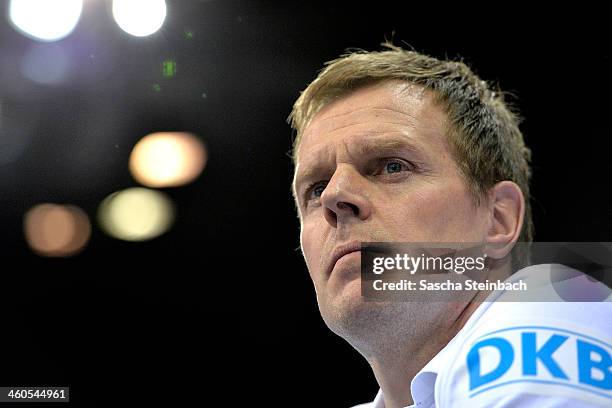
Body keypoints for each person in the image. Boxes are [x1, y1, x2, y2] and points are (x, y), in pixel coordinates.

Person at [288, 43, 611, 407]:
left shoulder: (556, 316)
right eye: (315, 189)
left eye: (392, 166)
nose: (335, 196)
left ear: (498, 219)